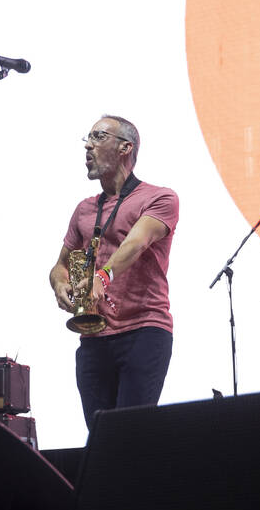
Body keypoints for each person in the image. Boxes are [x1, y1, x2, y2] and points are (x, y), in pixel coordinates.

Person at [49, 115, 179, 429]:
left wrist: (101, 277)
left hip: (144, 331)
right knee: (101, 438)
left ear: (125, 147)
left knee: (130, 437)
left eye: (98, 136)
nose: (88, 144)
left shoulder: (160, 198)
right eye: (88, 137)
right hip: (93, 337)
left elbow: (136, 242)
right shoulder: (84, 209)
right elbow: (59, 265)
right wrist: (60, 284)